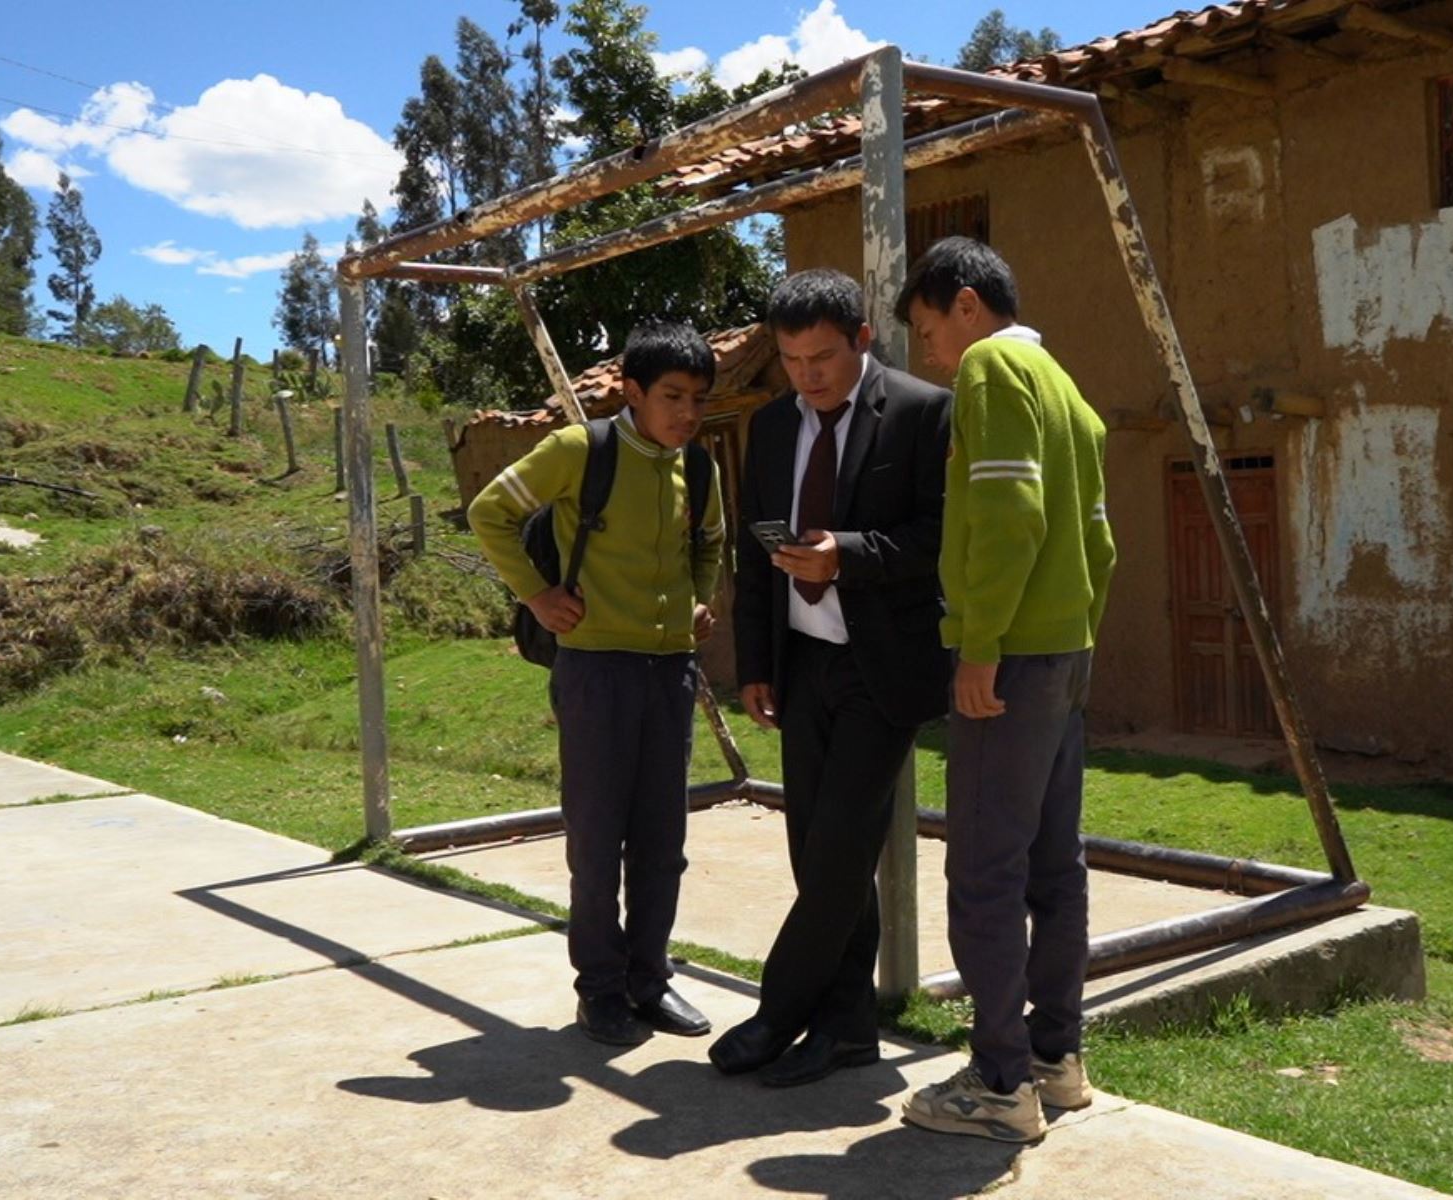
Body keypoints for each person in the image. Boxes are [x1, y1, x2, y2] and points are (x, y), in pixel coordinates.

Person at [893, 238, 1116, 1143]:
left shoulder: (990, 370)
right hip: (1065, 652)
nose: (929, 353)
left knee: (984, 869)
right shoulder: (1065, 388)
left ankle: (998, 1084)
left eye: (926, 328)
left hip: (1011, 656)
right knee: (1055, 864)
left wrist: (980, 646)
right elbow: (1099, 539)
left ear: (967, 304)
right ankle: (1056, 1060)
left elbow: (1008, 516)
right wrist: (1076, 634)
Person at [709, 269, 952, 1086]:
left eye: (821, 357)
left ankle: (779, 1012)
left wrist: (845, 554)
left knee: (842, 849)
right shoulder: (774, 424)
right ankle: (847, 1030)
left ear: (862, 339)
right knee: (818, 853)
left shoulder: (922, 412)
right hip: (801, 661)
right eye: (790, 359)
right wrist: (755, 664)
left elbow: (940, 537)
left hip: (883, 670)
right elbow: (753, 554)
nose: (806, 375)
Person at [468, 322, 726, 1047]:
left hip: (670, 673)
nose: (686, 413)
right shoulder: (580, 449)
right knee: (597, 839)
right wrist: (537, 596)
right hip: (595, 672)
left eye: (698, 399)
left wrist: (699, 599)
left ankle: (651, 979)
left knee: (662, 841)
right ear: (633, 392)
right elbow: (491, 512)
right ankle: (601, 989)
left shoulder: (698, 466)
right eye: (672, 396)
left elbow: (712, 540)